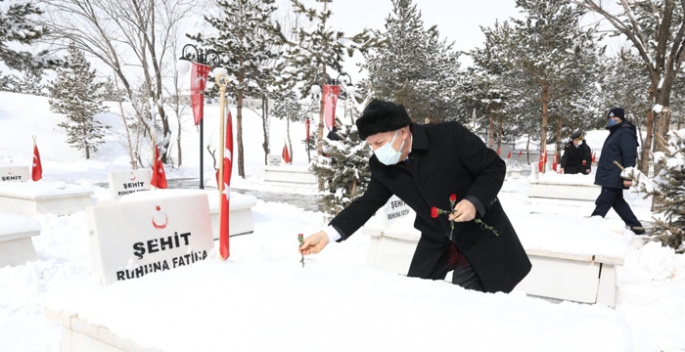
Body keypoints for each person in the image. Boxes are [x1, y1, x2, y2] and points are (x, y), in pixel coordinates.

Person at [299, 99, 531, 293]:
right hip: (437, 240)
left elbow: (493, 167)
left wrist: (474, 201)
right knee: (416, 296)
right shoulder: (382, 166)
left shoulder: (448, 136)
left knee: (469, 303)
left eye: (380, 142)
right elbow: (368, 202)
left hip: (479, 235)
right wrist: (327, 234)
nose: (377, 151)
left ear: (402, 131)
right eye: (371, 146)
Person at [591, 108, 645, 235]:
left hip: (615, 174)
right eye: (610, 118)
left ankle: (591, 228)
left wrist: (628, 176)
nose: (612, 120)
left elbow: (629, 155)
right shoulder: (616, 131)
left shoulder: (625, 132)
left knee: (603, 202)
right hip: (611, 173)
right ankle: (638, 229)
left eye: (615, 117)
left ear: (621, 118)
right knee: (618, 203)